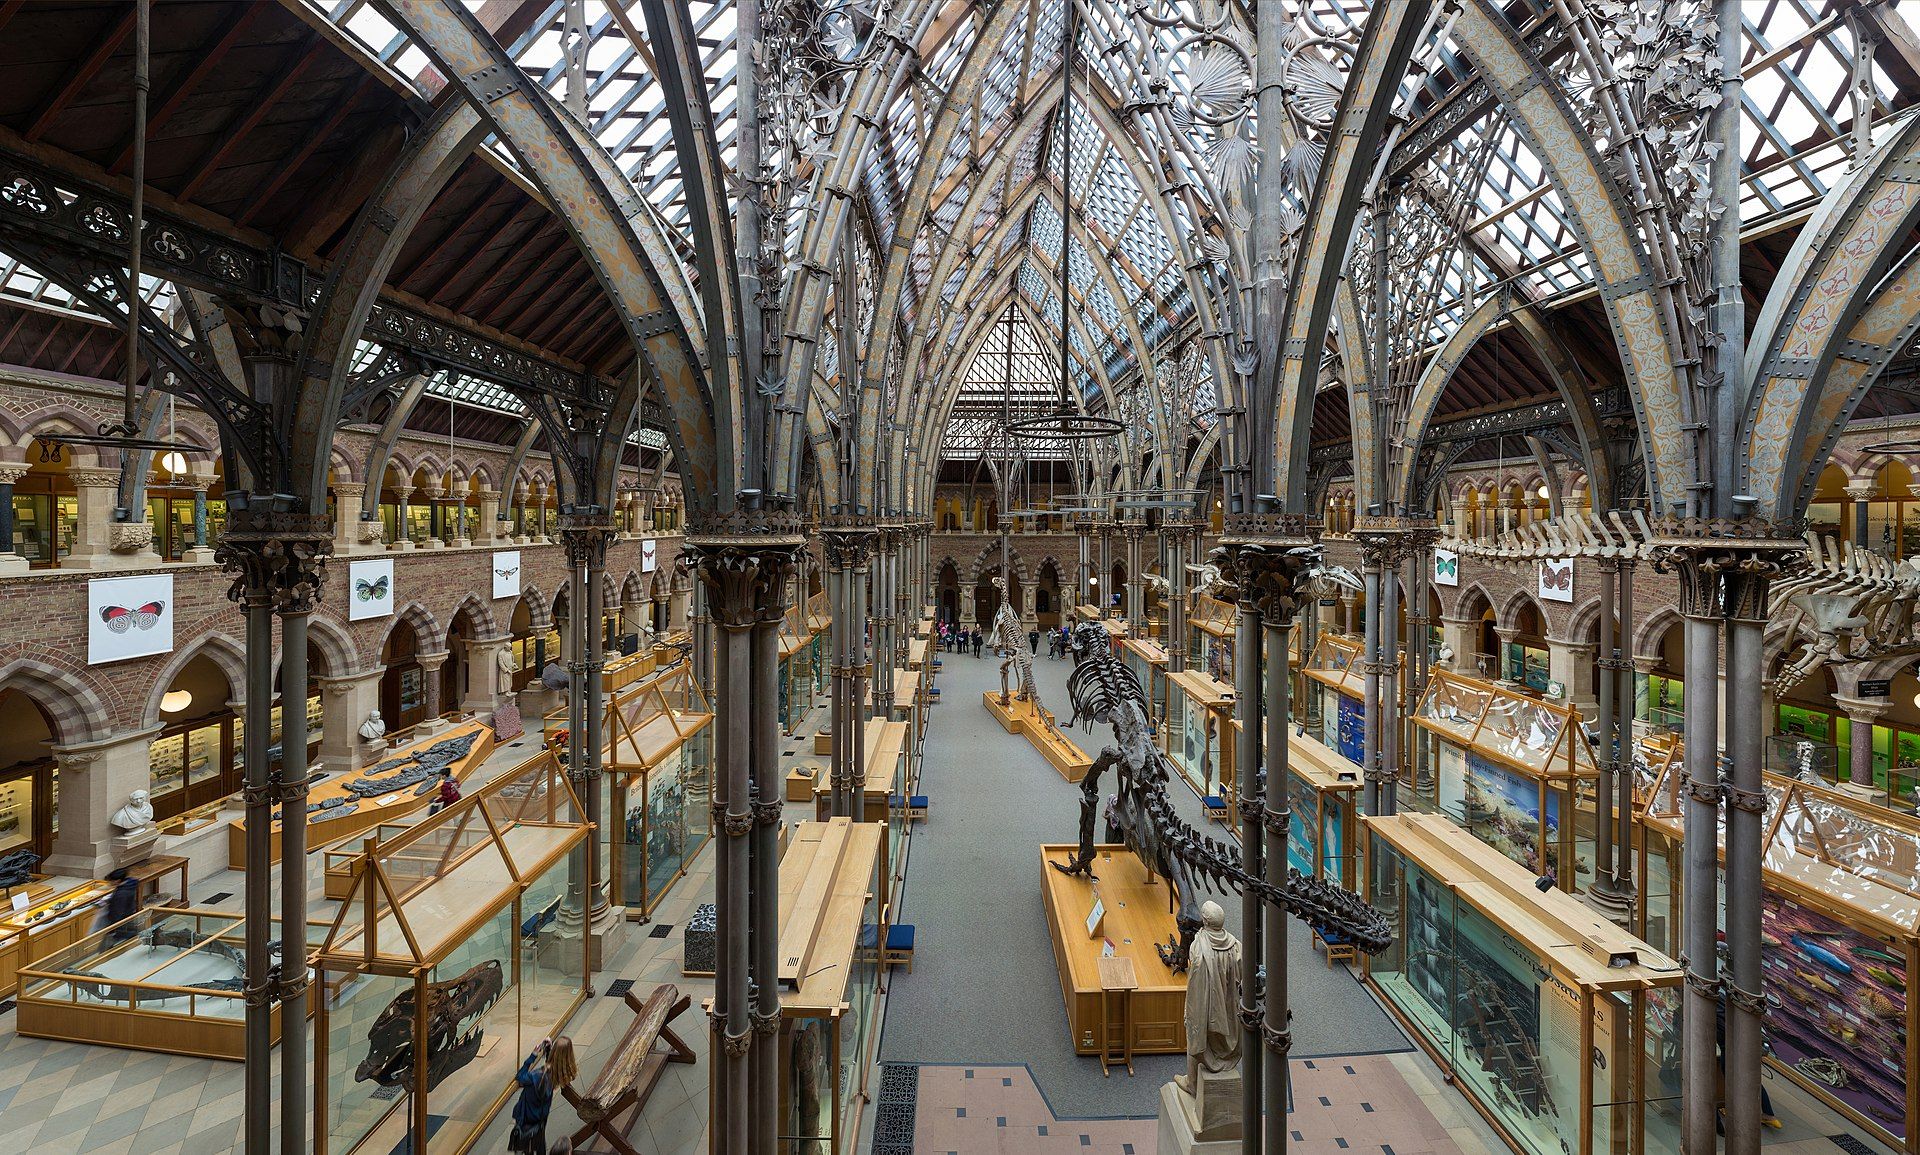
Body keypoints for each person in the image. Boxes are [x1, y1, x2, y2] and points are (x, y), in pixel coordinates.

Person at [508, 1036, 576, 1153]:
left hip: (526, 1117)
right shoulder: (559, 1073)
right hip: (541, 1117)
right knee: (539, 1141)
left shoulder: (537, 1076)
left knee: (525, 1143)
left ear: (554, 1051)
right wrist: (549, 1049)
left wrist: (533, 1056)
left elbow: (520, 1077)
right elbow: (553, 1064)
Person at [97, 867, 140, 946]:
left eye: (111, 881)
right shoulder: (129, 886)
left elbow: (117, 913)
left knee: (119, 946)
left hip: (121, 926)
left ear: (118, 881)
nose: (110, 883)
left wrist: (111, 928)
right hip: (128, 920)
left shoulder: (120, 894)